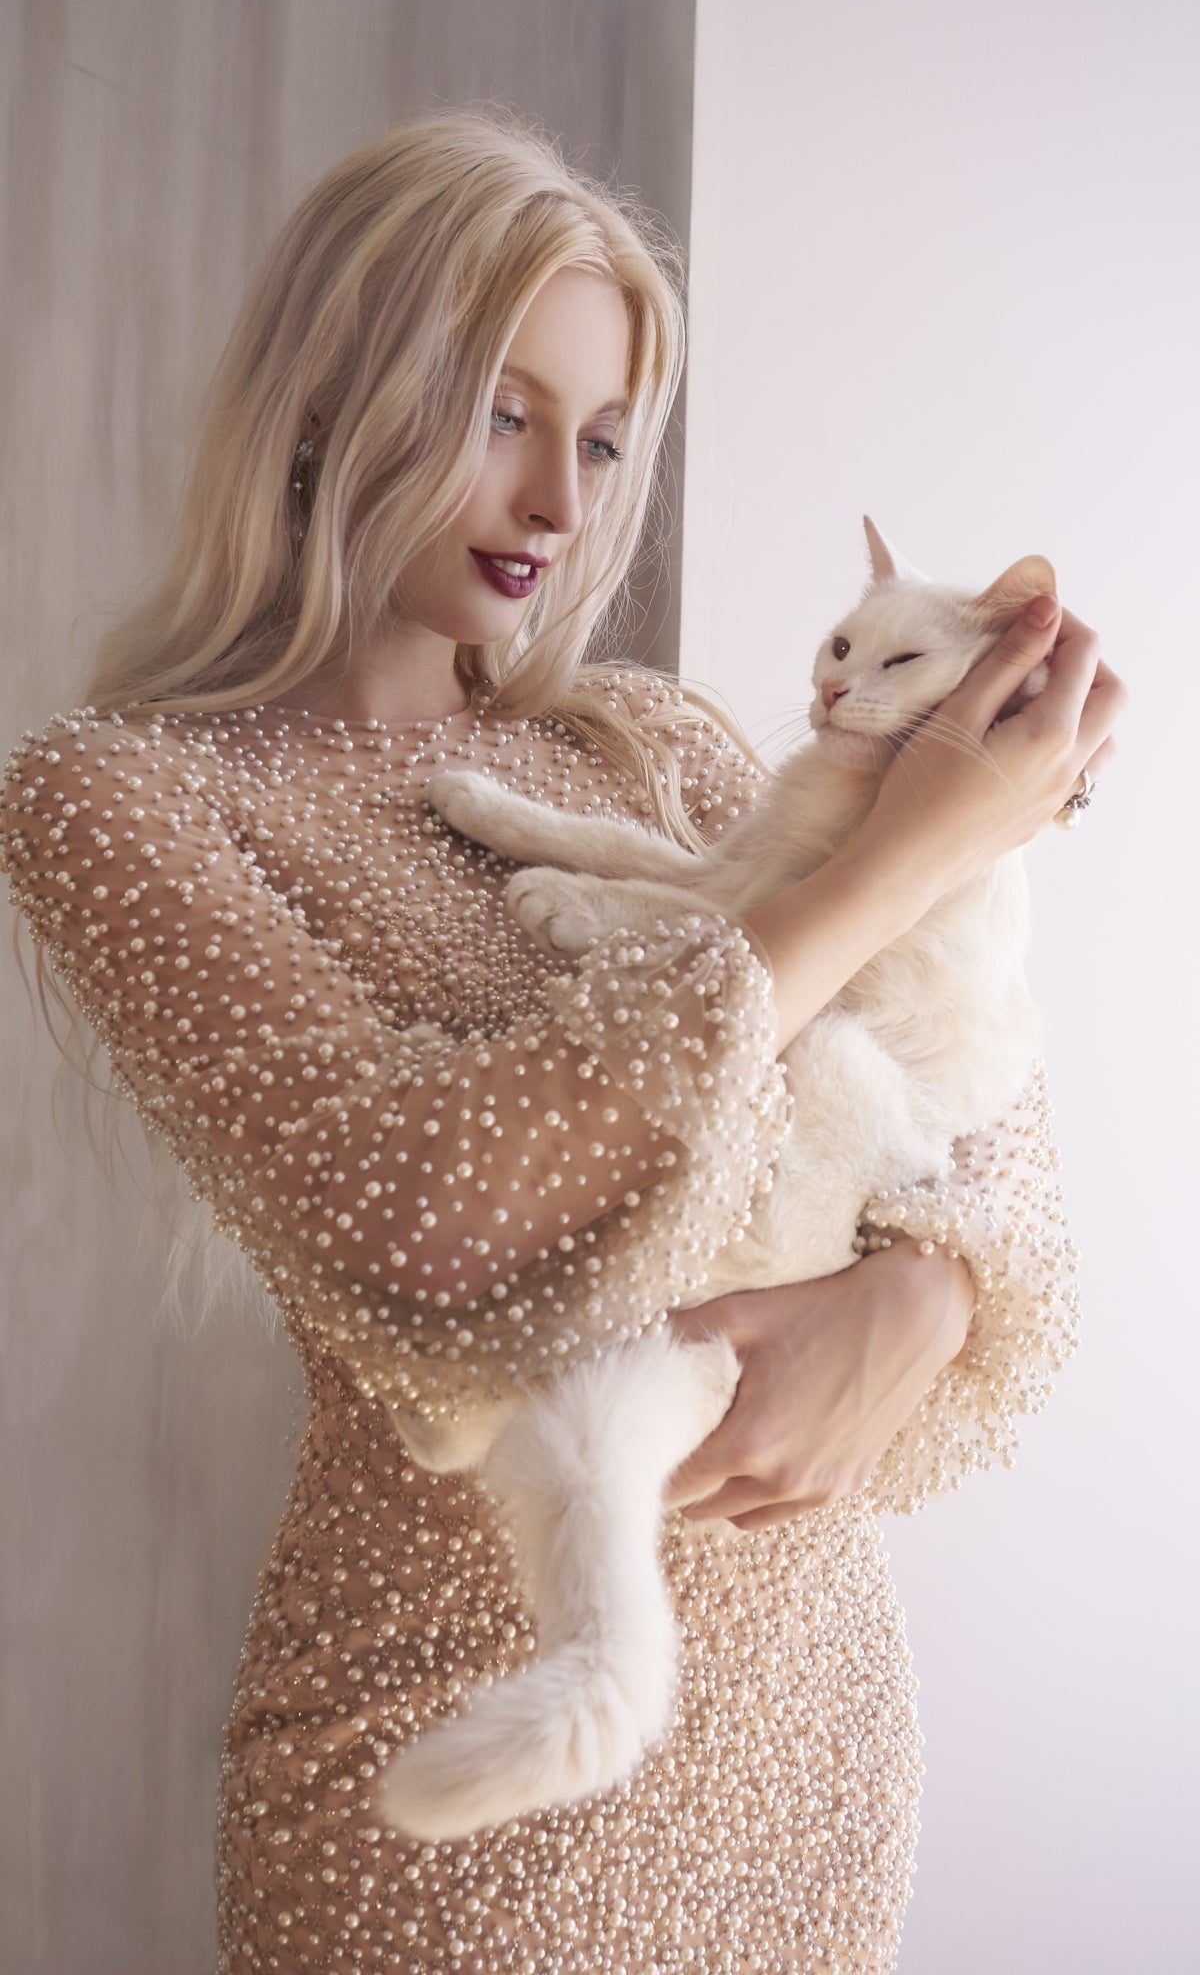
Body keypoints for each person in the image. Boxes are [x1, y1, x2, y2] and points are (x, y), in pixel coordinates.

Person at [2, 111, 1124, 1973]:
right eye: (499, 413)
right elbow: (414, 1203)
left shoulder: (653, 746)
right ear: (326, 395)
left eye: (600, 440)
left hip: (806, 1759)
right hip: (444, 1791)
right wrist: (914, 841)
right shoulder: (127, 797)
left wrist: (914, 1307)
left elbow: (981, 1106)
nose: (558, 500)